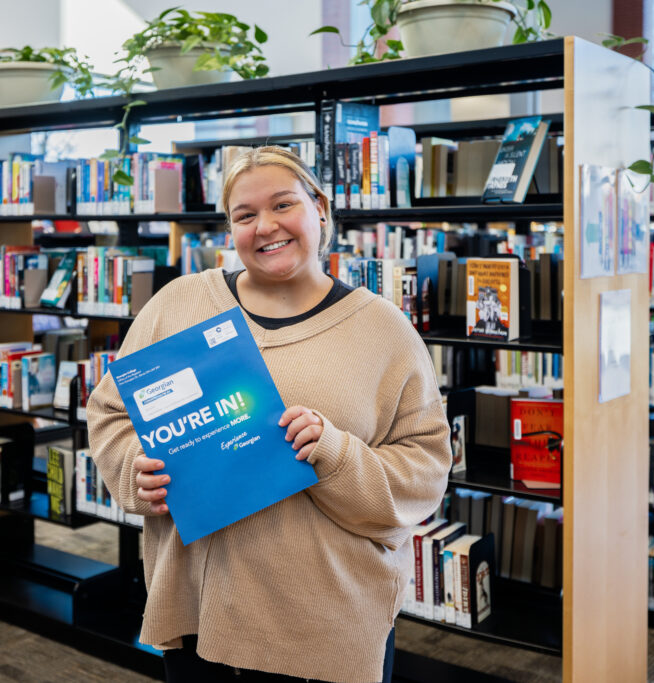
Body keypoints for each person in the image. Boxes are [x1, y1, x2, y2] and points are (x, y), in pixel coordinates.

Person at [86, 146, 451, 683]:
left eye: (283, 205)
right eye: (245, 215)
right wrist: (133, 471)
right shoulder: (180, 304)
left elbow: (425, 467)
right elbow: (111, 411)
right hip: (199, 614)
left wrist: (332, 451)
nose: (266, 227)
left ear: (320, 207)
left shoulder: (383, 330)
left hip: (326, 623)